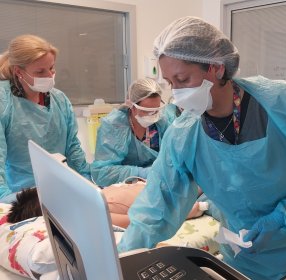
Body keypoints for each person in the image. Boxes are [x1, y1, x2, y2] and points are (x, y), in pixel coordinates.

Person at [118, 16, 286, 280]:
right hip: (244, 258)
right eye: (170, 83)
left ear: (217, 68)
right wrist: (118, 261)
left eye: (183, 79)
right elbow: (157, 206)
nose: (176, 93)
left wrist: (282, 218)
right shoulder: (183, 134)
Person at [0, 34, 90, 203]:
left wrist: (87, 182)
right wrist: (9, 203)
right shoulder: (4, 101)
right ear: (18, 71)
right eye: (40, 71)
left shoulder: (59, 99)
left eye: (52, 68)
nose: (49, 75)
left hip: (59, 190)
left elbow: (73, 148)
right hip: (19, 197)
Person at [91, 78, 171, 187]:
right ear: (132, 106)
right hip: (122, 187)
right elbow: (103, 173)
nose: (152, 114)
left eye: (156, 110)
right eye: (146, 111)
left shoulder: (161, 123)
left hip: (157, 184)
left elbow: (172, 157)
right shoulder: (114, 126)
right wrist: (143, 174)